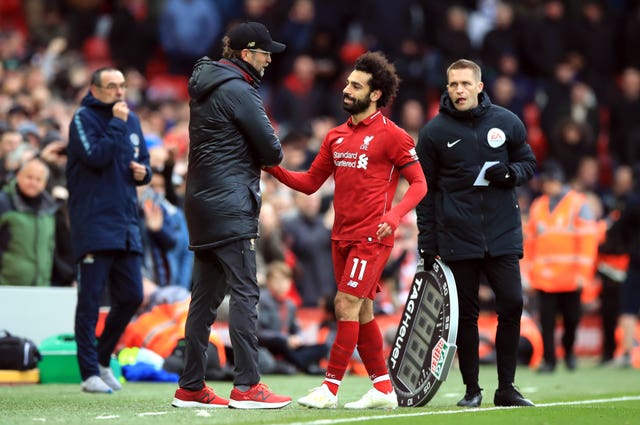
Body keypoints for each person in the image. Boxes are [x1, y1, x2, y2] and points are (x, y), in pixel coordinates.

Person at [266, 51, 427, 409]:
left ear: (375, 94)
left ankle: (330, 387)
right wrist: (272, 167)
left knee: (345, 303)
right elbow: (310, 183)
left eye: (355, 85)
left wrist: (396, 215)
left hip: (372, 236)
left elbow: (419, 184)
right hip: (339, 235)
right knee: (363, 310)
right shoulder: (336, 136)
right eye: (347, 82)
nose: (346, 89)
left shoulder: (394, 136)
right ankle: (384, 389)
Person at [170, 22, 291, 409]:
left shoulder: (207, 85)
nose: (270, 58)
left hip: (201, 202)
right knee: (245, 291)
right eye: (264, 52)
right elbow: (273, 151)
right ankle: (248, 386)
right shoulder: (240, 90)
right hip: (230, 203)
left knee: (203, 299)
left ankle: (190, 386)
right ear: (245, 53)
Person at [416, 58, 536, 408]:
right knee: (465, 316)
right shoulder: (434, 132)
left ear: (480, 86)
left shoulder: (506, 121)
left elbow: (529, 163)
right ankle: (472, 390)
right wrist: (428, 242)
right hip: (458, 236)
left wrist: (510, 173)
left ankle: (506, 388)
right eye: (453, 84)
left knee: (512, 303)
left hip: (502, 232)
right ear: (447, 87)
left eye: (466, 84)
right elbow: (425, 191)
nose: (459, 90)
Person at [66, 67, 152, 394]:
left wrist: (144, 172)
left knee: (132, 295)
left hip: (126, 221)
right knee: (89, 300)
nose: (119, 92)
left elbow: (143, 162)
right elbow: (97, 157)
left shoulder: (132, 121)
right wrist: (116, 122)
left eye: (122, 86)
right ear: (95, 89)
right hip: (94, 222)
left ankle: (102, 359)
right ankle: (88, 372)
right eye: (112, 86)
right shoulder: (83, 119)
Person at [525, 160, 599, 373]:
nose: (547, 186)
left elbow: (588, 240)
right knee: (546, 322)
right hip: (544, 278)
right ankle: (549, 360)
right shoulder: (538, 206)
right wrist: (529, 273)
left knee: (571, 321)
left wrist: (583, 274)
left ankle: (568, 352)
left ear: (558, 181)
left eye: (550, 182)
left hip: (570, 276)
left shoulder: (578, 204)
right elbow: (530, 242)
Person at [257, 261, 329, 375]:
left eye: (285, 280)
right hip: (268, 344)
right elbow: (257, 332)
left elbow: (296, 330)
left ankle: (298, 364)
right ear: (268, 281)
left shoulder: (290, 304)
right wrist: (284, 338)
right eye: (277, 280)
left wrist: (298, 338)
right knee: (279, 343)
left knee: (323, 347)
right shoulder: (260, 300)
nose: (281, 284)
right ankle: (305, 366)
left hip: (288, 347)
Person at [0, 158, 58, 286]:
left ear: (45, 183)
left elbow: (51, 247)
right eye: (29, 177)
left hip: (41, 287)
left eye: (38, 179)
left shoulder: (49, 209)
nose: (33, 182)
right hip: (7, 285)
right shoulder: (4, 202)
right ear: (18, 176)